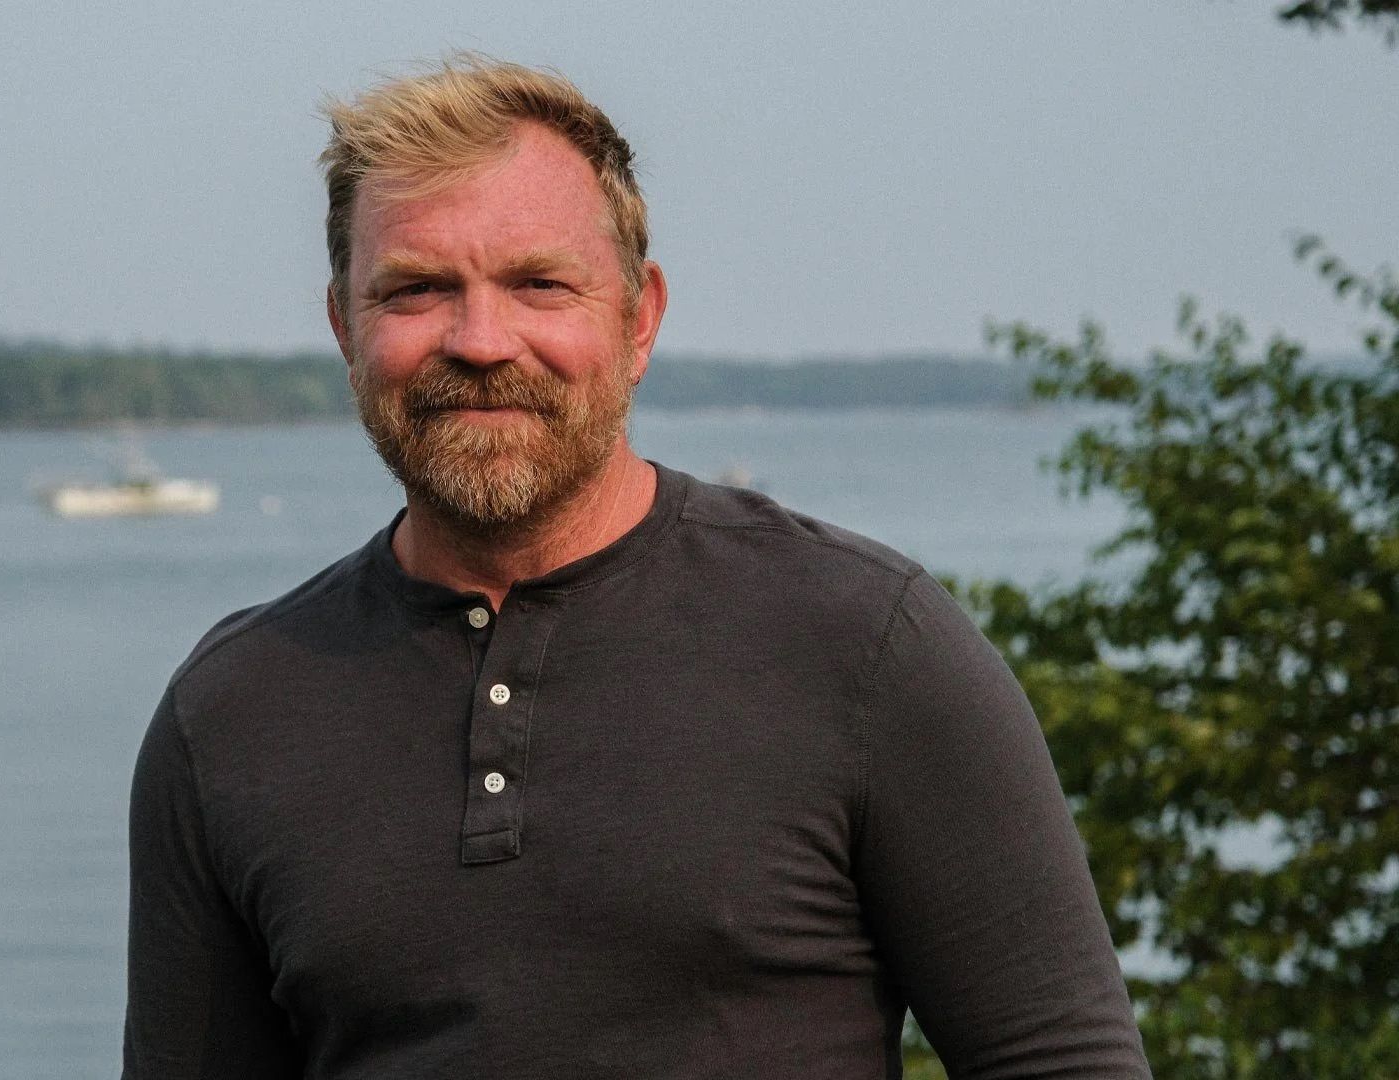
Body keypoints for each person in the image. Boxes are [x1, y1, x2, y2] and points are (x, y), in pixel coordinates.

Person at [124, 56, 1150, 1078]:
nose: (482, 341)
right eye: (418, 289)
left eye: (539, 284)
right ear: (346, 326)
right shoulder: (232, 715)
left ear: (638, 317)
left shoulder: (865, 648)